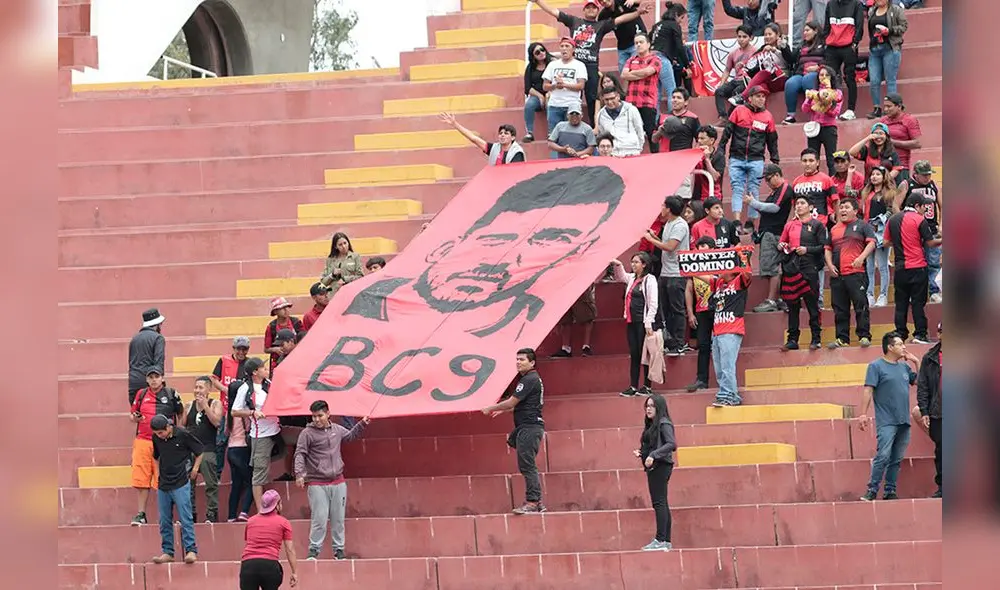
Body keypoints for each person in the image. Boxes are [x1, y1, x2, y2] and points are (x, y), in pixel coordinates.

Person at [532, 0, 645, 124]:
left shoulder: (601, 25)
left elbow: (621, 19)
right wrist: (538, 1)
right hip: (574, 65)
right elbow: (554, 12)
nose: (591, 9)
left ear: (598, 10)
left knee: (592, 98)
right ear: (584, 10)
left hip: (591, 66)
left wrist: (638, 13)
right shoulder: (574, 21)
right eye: (588, 7)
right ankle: (570, 126)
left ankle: (594, 127)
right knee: (573, 96)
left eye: (594, 7)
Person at [295, 401, 369, 560]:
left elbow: (350, 436)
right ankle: (313, 550)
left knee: (338, 518)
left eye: (319, 416)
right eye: (313, 416)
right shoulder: (307, 433)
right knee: (319, 519)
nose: (316, 419)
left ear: (328, 414)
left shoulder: (337, 429)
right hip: (317, 483)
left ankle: (339, 550)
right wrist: (299, 473)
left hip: (338, 481)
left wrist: (362, 423)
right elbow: (300, 454)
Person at [481, 348, 546, 514]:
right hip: (530, 427)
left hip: (529, 427)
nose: (518, 362)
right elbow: (521, 405)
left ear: (532, 363)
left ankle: (533, 502)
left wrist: (491, 408)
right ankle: (536, 503)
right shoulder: (532, 379)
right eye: (517, 359)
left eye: (522, 360)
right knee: (526, 463)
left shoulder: (528, 379)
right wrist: (504, 410)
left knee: (527, 465)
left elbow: (511, 403)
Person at [858, 332, 921, 501]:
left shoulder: (904, 368)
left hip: (903, 420)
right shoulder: (875, 366)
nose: (904, 347)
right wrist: (863, 413)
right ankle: (872, 489)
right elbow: (868, 390)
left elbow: (920, 382)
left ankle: (890, 490)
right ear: (890, 347)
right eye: (900, 344)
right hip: (886, 421)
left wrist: (916, 362)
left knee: (896, 458)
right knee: (883, 455)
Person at [718, 85, 780, 229]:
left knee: (753, 190)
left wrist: (775, 159)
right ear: (750, 98)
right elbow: (728, 131)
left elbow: (772, 140)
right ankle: (737, 221)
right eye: (758, 96)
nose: (761, 99)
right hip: (736, 157)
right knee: (737, 188)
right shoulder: (739, 110)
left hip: (756, 159)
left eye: (763, 96)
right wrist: (721, 147)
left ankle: (751, 222)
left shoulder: (768, 116)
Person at [129, 368, 183, 526]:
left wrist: (178, 434)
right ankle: (141, 514)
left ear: (162, 378)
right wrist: (135, 417)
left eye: (156, 377)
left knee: (166, 479)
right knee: (141, 479)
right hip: (143, 441)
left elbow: (181, 414)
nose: (154, 380)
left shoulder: (171, 394)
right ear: (147, 380)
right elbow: (132, 415)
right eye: (150, 377)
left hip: (164, 442)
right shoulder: (141, 394)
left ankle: (168, 516)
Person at [884, 193, 941, 344]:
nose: (924, 210)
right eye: (923, 207)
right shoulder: (919, 219)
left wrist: (900, 244)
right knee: (918, 303)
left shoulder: (893, 219)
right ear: (917, 206)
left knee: (901, 303)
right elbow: (930, 243)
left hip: (900, 268)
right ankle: (920, 334)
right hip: (918, 266)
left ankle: (900, 334)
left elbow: (885, 242)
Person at [150, 414, 203, 565]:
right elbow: (155, 456)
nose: (159, 436)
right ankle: (168, 552)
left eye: (161, 433)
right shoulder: (157, 439)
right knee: (164, 519)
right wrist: (157, 474)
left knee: (185, 517)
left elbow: (200, 451)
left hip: (181, 482)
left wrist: (195, 469)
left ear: (168, 427)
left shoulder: (183, 434)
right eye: (156, 434)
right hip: (164, 484)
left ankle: (191, 550)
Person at [231, 357, 282, 511]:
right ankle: (262, 510)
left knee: (300, 439)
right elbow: (234, 411)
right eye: (263, 368)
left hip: (277, 429)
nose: (266, 370)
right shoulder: (245, 388)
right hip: (261, 434)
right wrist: (253, 413)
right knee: (259, 473)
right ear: (255, 372)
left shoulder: (269, 384)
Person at [825, 198, 877, 348]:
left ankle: (864, 336)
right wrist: (829, 265)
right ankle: (842, 338)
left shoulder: (863, 225)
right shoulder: (834, 229)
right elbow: (827, 249)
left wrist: (861, 258)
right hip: (837, 275)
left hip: (856, 273)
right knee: (839, 308)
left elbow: (872, 243)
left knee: (861, 305)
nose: (842, 210)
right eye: (841, 208)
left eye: (847, 207)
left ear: (855, 211)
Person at [644, 196, 690, 356]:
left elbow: (670, 246)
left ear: (669, 209)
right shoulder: (669, 223)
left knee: (676, 309)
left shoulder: (680, 225)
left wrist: (651, 240)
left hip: (676, 273)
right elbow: (666, 243)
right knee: (666, 309)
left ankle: (679, 343)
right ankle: (669, 342)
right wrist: (654, 237)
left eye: (663, 205)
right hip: (666, 272)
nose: (661, 208)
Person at [779, 196, 828, 349]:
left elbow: (823, 247)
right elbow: (782, 242)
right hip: (792, 268)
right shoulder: (789, 225)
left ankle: (816, 338)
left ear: (810, 206)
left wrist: (807, 249)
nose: (799, 206)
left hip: (810, 267)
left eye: (802, 203)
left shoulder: (817, 225)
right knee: (792, 305)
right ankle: (793, 340)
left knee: (812, 304)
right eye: (797, 204)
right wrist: (782, 245)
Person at [745, 163, 793, 313]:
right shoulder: (775, 192)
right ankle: (776, 298)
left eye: (768, 178)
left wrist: (753, 203)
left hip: (774, 234)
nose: (767, 182)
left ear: (777, 175)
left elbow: (774, 208)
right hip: (769, 233)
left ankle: (771, 300)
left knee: (771, 269)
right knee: (768, 268)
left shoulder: (784, 188)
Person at [611, 252, 660, 397]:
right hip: (631, 321)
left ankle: (647, 385)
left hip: (643, 322)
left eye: (636, 262)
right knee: (634, 353)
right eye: (632, 262)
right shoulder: (632, 278)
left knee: (645, 354)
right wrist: (618, 265)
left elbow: (653, 303)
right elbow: (621, 277)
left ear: (644, 264)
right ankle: (633, 385)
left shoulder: (650, 280)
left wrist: (649, 322)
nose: (633, 265)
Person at [634, 394, 676, 551]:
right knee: (662, 503)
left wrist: (653, 455)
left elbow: (671, 444)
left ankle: (660, 539)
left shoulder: (664, 423)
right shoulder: (652, 425)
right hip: (655, 467)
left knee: (659, 503)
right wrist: (643, 453)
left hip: (660, 466)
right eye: (647, 406)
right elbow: (653, 444)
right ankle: (665, 540)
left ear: (659, 407)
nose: (648, 408)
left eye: (652, 406)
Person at [899, 160, 942, 303]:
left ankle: (934, 292)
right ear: (915, 174)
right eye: (924, 175)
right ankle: (917, 293)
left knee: (934, 262)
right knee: (916, 264)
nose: (927, 178)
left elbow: (943, 206)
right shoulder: (906, 185)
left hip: (931, 229)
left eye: (929, 175)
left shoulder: (934, 185)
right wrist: (903, 224)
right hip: (913, 231)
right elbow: (895, 205)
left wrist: (941, 225)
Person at [240, 489, 299, 590]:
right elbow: (290, 549)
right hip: (269, 565)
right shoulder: (284, 523)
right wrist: (294, 572)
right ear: (276, 505)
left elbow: (248, 543)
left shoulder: (250, 521)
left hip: (248, 565)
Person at [710, 265, 751, 407]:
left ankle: (729, 396)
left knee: (727, 365)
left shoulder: (739, 281)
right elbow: (698, 274)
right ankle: (727, 394)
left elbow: (747, 273)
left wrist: (743, 257)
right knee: (719, 367)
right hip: (716, 331)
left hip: (731, 329)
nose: (720, 269)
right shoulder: (718, 283)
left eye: (724, 266)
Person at [185, 376, 223, 523]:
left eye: (201, 388)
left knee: (211, 485)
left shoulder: (215, 404)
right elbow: (182, 425)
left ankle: (211, 514)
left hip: (207, 449)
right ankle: (191, 514)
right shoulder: (189, 405)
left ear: (209, 389)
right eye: (196, 388)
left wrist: (205, 406)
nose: (197, 391)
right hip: (190, 451)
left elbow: (217, 423)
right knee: (188, 485)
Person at [822, 0, 864, 121]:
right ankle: (830, 109)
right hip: (832, 47)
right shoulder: (830, 4)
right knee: (829, 78)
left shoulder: (856, 4)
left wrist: (855, 42)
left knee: (849, 77)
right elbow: (826, 25)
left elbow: (859, 25)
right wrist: (826, 40)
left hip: (849, 46)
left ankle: (851, 110)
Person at [685, 236, 718, 391]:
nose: (700, 248)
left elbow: (718, 283)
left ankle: (723, 380)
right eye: (699, 246)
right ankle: (701, 380)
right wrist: (690, 313)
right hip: (701, 310)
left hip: (719, 309)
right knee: (703, 345)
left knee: (720, 345)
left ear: (712, 248)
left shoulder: (720, 263)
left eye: (703, 245)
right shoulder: (694, 265)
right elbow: (689, 289)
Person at [860, 166, 896, 307]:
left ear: (883, 177)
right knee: (869, 265)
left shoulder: (889, 193)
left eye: (877, 174)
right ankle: (869, 294)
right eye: (872, 174)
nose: (874, 177)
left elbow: (890, 211)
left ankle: (883, 295)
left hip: (882, 231)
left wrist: (880, 221)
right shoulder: (866, 192)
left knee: (882, 265)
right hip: (868, 230)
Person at [866, 0, 908, 119]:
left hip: (890, 48)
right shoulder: (872, 11)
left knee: (890, 80)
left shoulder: (896, 10)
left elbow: (904, 26)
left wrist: (889, 30)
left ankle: (891, 109)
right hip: (875, 49)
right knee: (874, 81)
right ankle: (877, 108)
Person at [621, 33, 662, 153]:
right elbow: (624, 75)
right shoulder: (631, 59)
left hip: (647, 102)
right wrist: (640, 73)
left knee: (650, 132)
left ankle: (656, 157)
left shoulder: (655, 59)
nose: (638, 45)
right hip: (631, 103)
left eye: (641, 42)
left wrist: (632, 73)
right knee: (630, 131)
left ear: (648, 44)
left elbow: (647, 72)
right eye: (636, 43)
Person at [783, 20, 827, 125]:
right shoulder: (802, 45)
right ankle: (791, 115)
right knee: (790, 83)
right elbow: (791, 59)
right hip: (801, 73)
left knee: (807, 80)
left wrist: (818, 67)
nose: (805, 33)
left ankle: (817, 113)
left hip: (818, 73)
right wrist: (784, 48)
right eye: (804, 31)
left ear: (815, 31)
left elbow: (830, 59)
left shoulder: (824, 44)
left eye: (807, 30)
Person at [916, 322, 942, 498]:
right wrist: (924, 411)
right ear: (939, 334)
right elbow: (923, 386)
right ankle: (943, 487)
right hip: (939, 411)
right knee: (942, 450)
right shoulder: (929, 357)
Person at [439, 112, 525, 165]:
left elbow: (515, 173)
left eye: (506, 133)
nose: (502, 135)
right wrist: (455, 124)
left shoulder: (517, 152)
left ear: (513, 137)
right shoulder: (494, 148)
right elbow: (473, 139)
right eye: (500, 133)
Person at [802, 65, 843, 175]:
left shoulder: (837, 93)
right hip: (814, 128)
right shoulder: (813, 91)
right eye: (821, 75)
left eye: (826, 75)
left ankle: (833, 183)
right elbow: (805, 109)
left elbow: (835, 112)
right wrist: (810, 99)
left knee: (831, 158)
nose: (823, 77)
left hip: (829, 128)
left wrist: (825, 103)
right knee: (813, 157)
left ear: (831, 77)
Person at [542, 37, 589, 133]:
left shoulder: (579, 65)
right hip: (554, 104)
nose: (564, 48)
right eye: (562, 46)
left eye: (567, 46)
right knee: (554, 135)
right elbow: (545, 86)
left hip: (572, 104)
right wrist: (555, 86)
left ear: (573, 49)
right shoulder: (552, 65)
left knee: (572, 134)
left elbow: (581, 86)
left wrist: (564, 85)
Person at [649, 2, 689, 107]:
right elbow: (679, 47)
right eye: (681, 17)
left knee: (656, 93)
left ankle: (655, 119)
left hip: (651, 59)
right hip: (662, 58)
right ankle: (675, 117)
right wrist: (687, 65)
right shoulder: (674, 25)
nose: (681, 21)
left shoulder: (656, 25)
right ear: (676, 15)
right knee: (672, 91)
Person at [713, 25, 755, 123]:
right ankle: (723, 118)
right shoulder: (733, 53)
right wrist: (722, 83)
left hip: (746, 81)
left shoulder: (755, 51)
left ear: (751, 38)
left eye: (744, 37)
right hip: (735, 80)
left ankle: (731, 120)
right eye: (739, 36)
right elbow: (727, 70)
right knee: (719, 91)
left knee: (735, 93)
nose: (741, 39)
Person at [878, 93, 922, 183]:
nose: (886, 109)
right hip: (883, 166)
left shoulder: (909, 120)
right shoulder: (883, 121)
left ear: (899, 106)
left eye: (889, 106)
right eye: (885, 106)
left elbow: (918, 143)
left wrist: (892, 142)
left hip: (901, 167)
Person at [128, 308, 166, 405]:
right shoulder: (158, 338)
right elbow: (159, 363)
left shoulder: (134, 339)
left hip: (133, 383)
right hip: (150, 383)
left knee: (139, 415)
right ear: (157, 325)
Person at [598, 0, 648, 72]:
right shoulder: (603, 15)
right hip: (622, 46)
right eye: (600, 1)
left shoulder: (622, 1)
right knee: (623, 73)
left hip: (637, 42)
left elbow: (639, 2)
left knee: (637, 70)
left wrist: (633, 0)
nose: (604, 1)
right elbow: (600, 29)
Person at [594, 87, 646, 156]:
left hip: (631, 152)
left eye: (612, 98)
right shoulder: (600, 114)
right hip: (613, 154)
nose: (609, 102)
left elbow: (640, 131)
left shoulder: (631, 110)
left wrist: (638, 149)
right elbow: (602, 135)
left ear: (618, 97)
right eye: (606, 99)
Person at [522, 42, 554, 143]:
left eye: (542, 49)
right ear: (533, 56)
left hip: (553, 92)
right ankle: (529, 133)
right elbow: (528, 88)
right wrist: (540, 96)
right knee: (529, 105)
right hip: (537, 95)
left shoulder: (553, 63)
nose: (541, 53)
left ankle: (551, 133)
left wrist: (550, 92)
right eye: (537, 52)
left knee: (551, 103)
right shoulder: (530, 67)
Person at [263, 298, 302, 374]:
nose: (286, 310)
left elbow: (304, 339)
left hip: (297, 360)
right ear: (275, 312)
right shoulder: (271, 327)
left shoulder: (296, 322)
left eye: (287, 307)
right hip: (278, 362)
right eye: (282, 308)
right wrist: (275, 349)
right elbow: (266, 349)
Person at [691, 125, 726, 200]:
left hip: (713, 197)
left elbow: (715, 178)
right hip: (696, 196)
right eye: (698, 138)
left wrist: (707, 160)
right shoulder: (695, 154)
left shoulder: (719, 156)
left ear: (711, 140)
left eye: (702, 138)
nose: (699, 141)